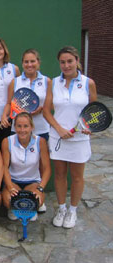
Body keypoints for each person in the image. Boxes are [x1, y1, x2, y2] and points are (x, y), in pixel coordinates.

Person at [43, 46, 97, 228]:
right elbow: (46, 111)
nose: (66, 65)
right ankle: (62, 208)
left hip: (79, 138)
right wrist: (58, 129)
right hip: (58, 137)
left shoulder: (88, 83)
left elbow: (93, 112)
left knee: (76, 177)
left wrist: (89, 126)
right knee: (59, 175)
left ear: (76, 60)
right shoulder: (53, 83)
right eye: (62, 62)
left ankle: (73, 211)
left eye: (69, 61)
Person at [1, 112, 51, 221]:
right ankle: (14, 207)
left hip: (33, 182)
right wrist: (9, 187)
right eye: (19, 126)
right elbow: (4, 167)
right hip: (14, 181)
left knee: (36, 200)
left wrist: (40, 188)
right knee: (8, 200)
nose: (22, 130)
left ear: (32, 127)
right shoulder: (7, 141)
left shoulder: (40, 141)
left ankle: (36, 205)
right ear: (14, 127)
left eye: (26, 126)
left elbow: (47, 169)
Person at [1, 49, 51, 140]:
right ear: (22, 63)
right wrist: (4, 116)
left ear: (38, 62)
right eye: (26, 62)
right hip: (19, 130)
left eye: (32, 61)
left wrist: (42, 109)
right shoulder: (15, 82)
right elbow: (9, 103)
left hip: (41, 129)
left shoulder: (47, 81)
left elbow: (52, 105)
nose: (29, 64)